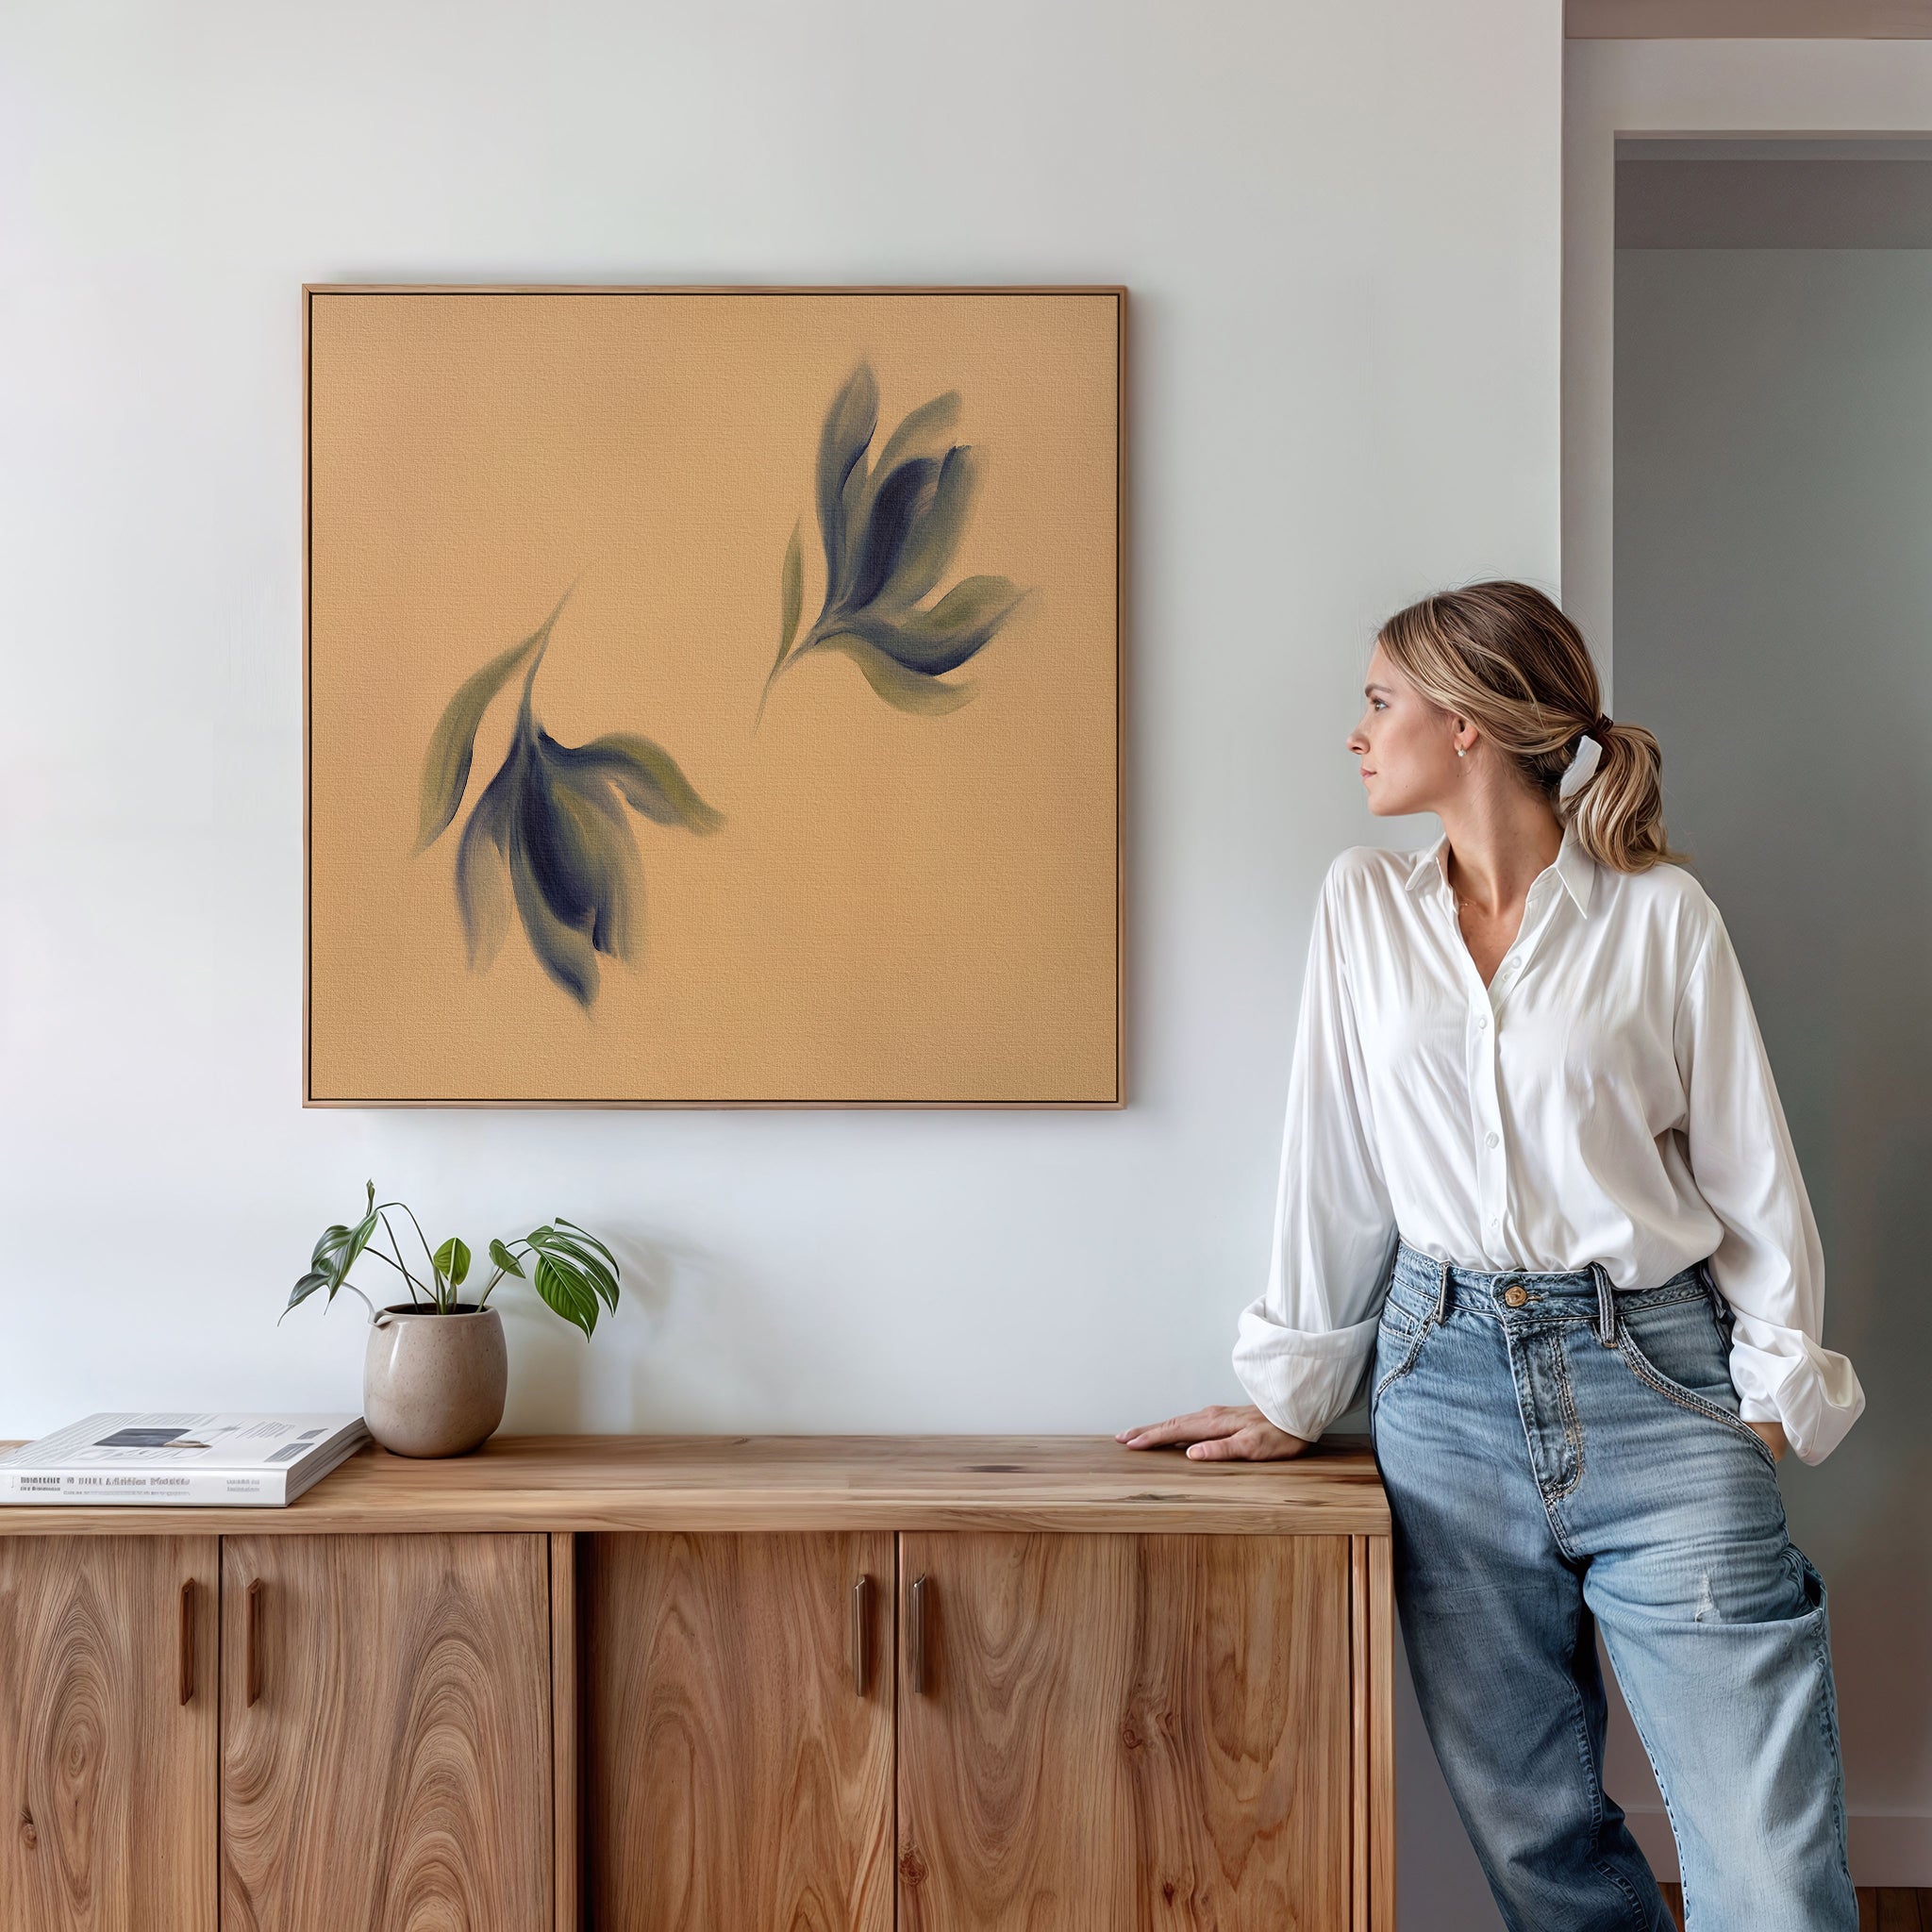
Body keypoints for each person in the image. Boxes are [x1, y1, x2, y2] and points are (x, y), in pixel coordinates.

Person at [1117, 581, 1864, 1930]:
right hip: (1442, 1390)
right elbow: (1331, 1161)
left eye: (1378, 700)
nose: (1357, 733)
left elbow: (1753, 1172)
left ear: (1466, 725)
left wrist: (1768, 1396)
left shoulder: (1660, 917)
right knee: (1540, 1849)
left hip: (1660, 1378)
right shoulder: (1362, 909)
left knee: (1768, 1862)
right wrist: (1298, 1389)